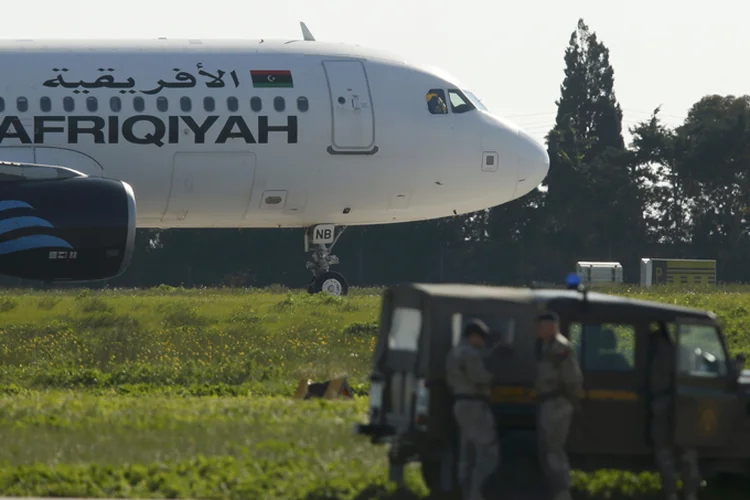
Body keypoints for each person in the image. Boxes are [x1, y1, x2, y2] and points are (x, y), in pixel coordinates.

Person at [445, 319, 499, 500]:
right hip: (474, 404)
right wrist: (494, 372)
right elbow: (481, 378)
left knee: (466, 453)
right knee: (489, 453)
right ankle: (476, 493)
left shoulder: (454, 352)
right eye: (481, 338)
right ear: (473, 336)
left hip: (460, 404)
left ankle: (465, 492)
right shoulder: (470, 354)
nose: (482, 342)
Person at [534, 311, 583, 500]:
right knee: (546, 450)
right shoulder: (545, 345)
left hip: (557, 403)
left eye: (541, 326)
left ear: (552, 327)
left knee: (554, 449)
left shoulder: (560, 347)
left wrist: (572, 399)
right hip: (547, 402)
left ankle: (563, 493)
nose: (537, 330)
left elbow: (573, 378)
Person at [649, 324, 701, 500]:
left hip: (662, 405)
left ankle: (671, 492)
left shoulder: (655, 355)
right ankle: (691, 492)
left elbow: (654, 383)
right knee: (687, 452)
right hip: (683, 405)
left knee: (665, 454)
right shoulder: (682, 352)